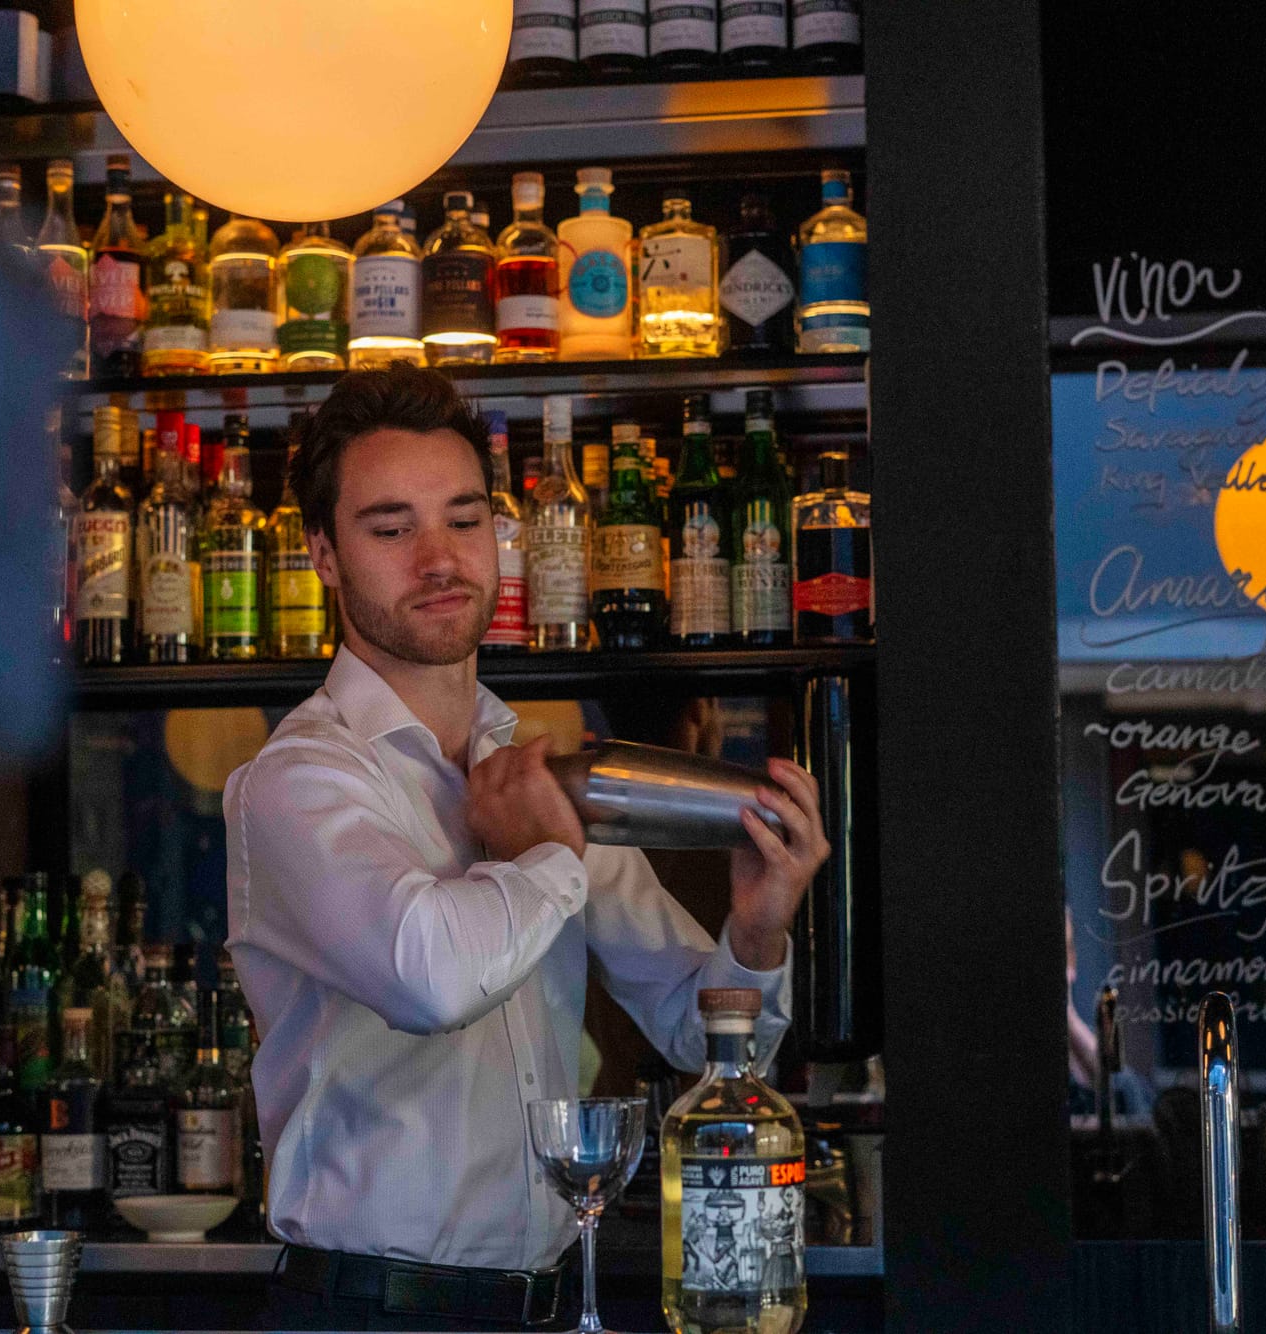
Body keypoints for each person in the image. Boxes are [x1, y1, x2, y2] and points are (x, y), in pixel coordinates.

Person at [222, 366, 830, 1330]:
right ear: (324, 557)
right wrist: (548, 855)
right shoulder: (298, 783)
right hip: (369, 1310)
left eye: (463, 521)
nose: (438, 559)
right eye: (390, 529)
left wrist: (755, 930)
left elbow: (699, 1032)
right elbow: (429, 977)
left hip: (548, 1306)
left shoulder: (528, 774)